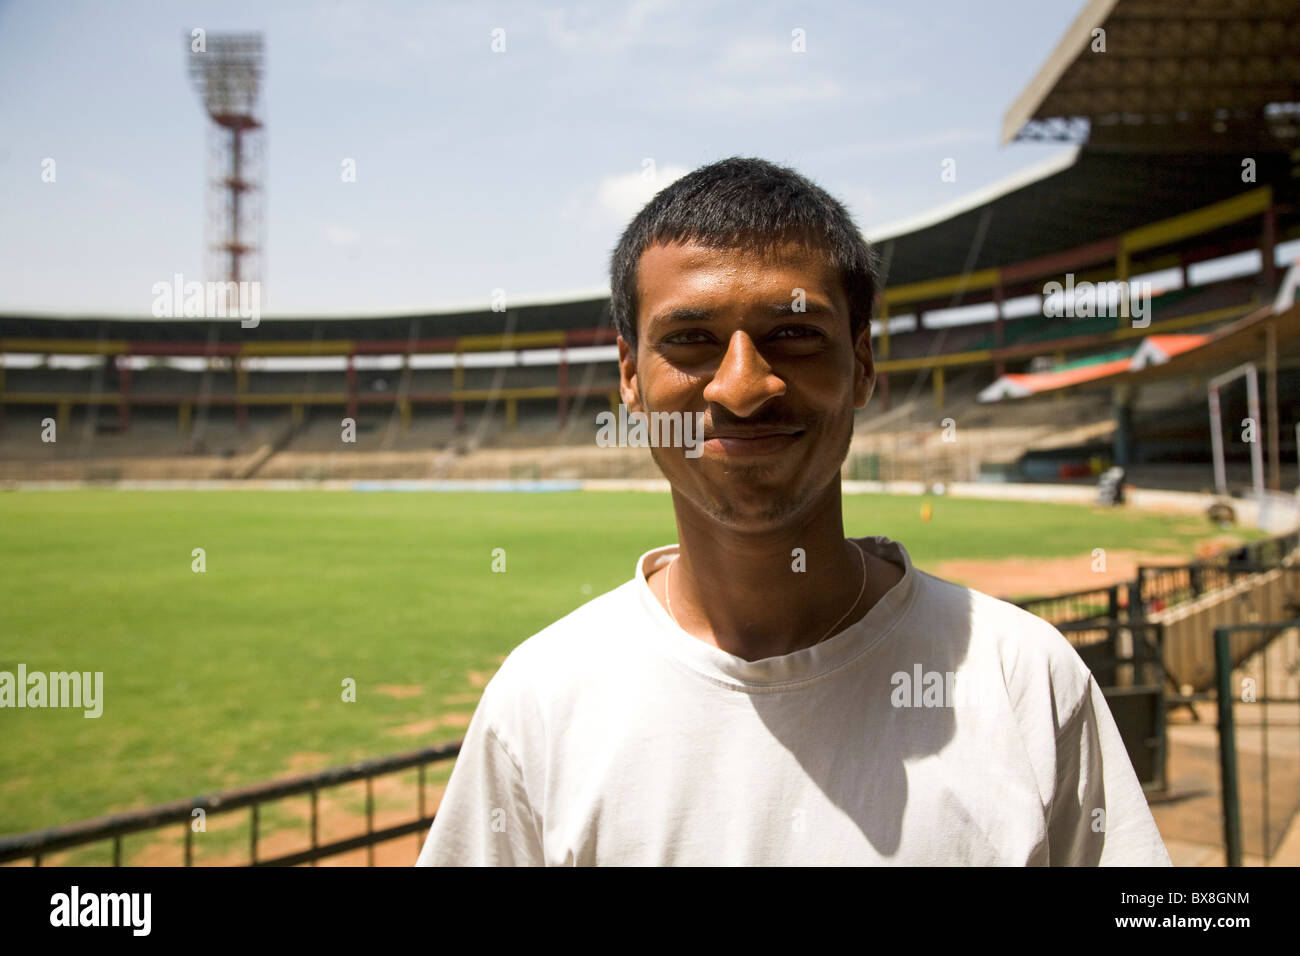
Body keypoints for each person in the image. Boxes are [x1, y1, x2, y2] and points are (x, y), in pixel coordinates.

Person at [416, 157, 1172, 866]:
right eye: (690, 341)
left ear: (864, 364)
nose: (742, 389)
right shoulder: (540, 702)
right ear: (630, 379)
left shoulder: (1024, 680)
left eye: (794, 335)